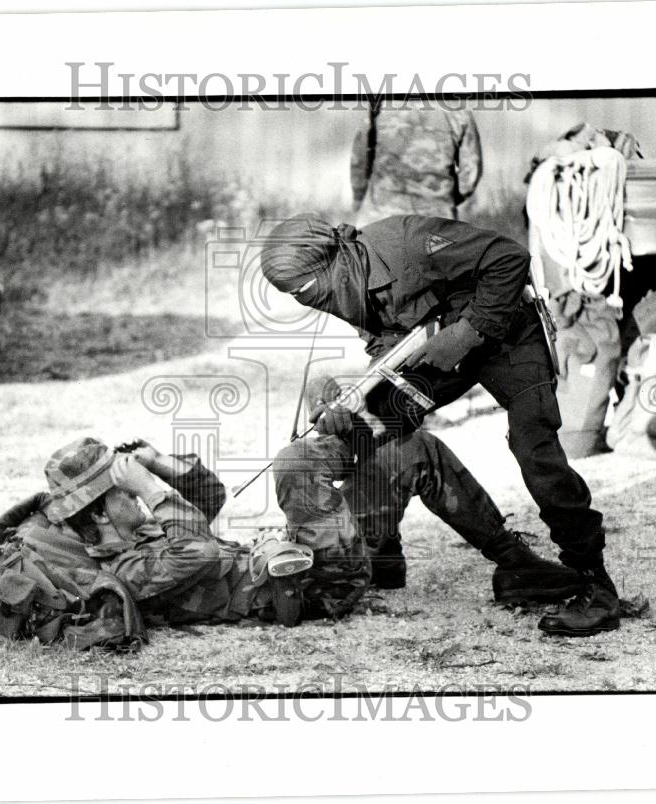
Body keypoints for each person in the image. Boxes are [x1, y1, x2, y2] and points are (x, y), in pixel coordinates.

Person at [260, 214, 621, 637]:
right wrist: (352, 400)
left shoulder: (406, 242)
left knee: (534, 448)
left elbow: (509, 257)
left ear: (333, 259)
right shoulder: (342, 282)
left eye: (305, 290)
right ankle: (410, 555)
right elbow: (383, 341)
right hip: (436, 349)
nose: (309, 302)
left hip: (508, 335)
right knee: (368, 427)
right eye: (295, 297)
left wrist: (468, 331)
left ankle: (596, 586)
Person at [273, 372, 585, 609]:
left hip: (319, 556)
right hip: (325, 579)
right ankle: (512, 559)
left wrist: (347, 423)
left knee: (322, 391)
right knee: (418, 449)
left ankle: (383, 557)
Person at [0, 437, 314, 629]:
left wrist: (159, 464)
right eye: (124, 491)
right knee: (298, 462)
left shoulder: (140, 532)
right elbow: (201, 551)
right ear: (98, 514)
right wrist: (151, 490)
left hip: (287, 562)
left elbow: (210, 498)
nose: (135, 494)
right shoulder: (125, 570)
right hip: (302, 588)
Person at [350, 100, 482, 227]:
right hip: (436, 222)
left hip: (381, 217)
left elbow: (359, 159)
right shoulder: (457, 109)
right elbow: (470, 171)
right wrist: (443, 199)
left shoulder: (381, 102)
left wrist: (358, 199)